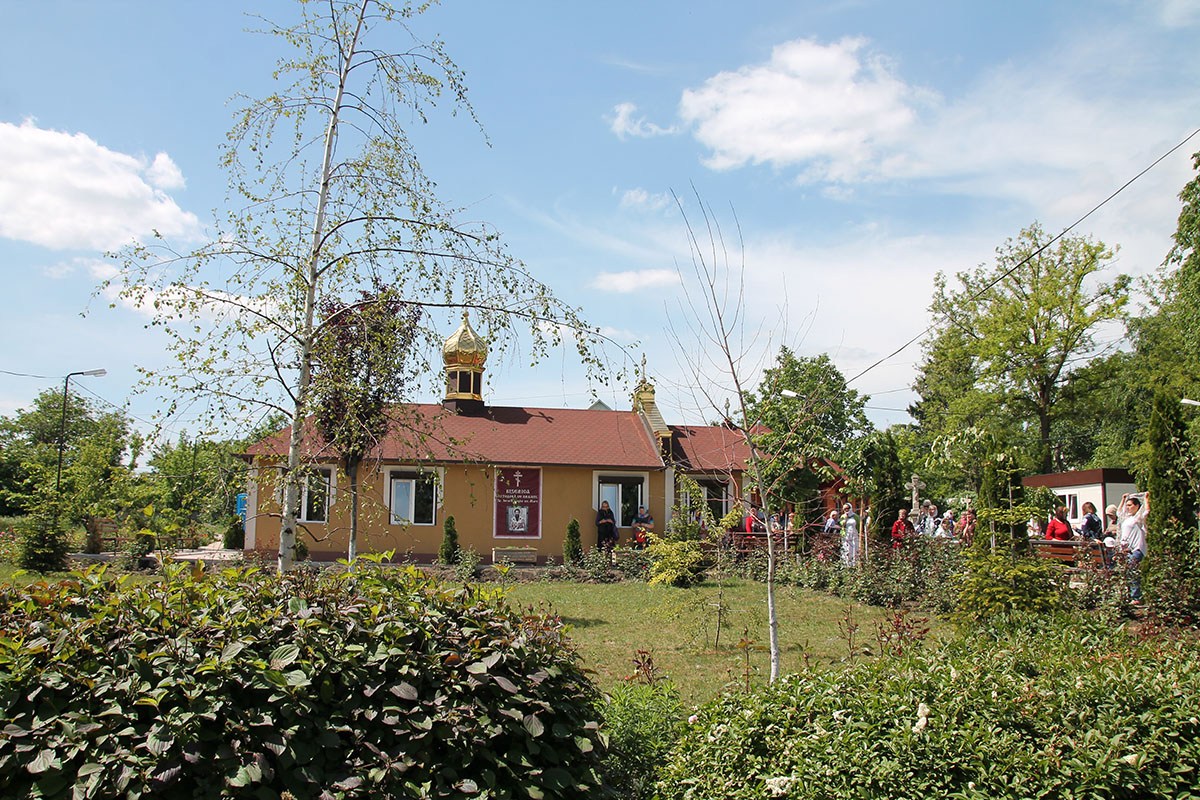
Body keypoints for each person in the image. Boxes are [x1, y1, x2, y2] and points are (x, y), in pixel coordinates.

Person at [1118, 493, 1149, 603]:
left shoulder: (1138, 518)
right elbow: (1119, 512)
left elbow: (1146, 512)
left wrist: (1146, 499)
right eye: (1127, 505)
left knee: (1132, 571)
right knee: (1127, 572)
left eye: (1130, 505)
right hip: (1126, 550)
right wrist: (1123, 499)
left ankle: (1136, 597)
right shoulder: (1126, 518)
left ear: (1137, 506)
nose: (1127, 507)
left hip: (1136, 548)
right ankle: (1129, 595)